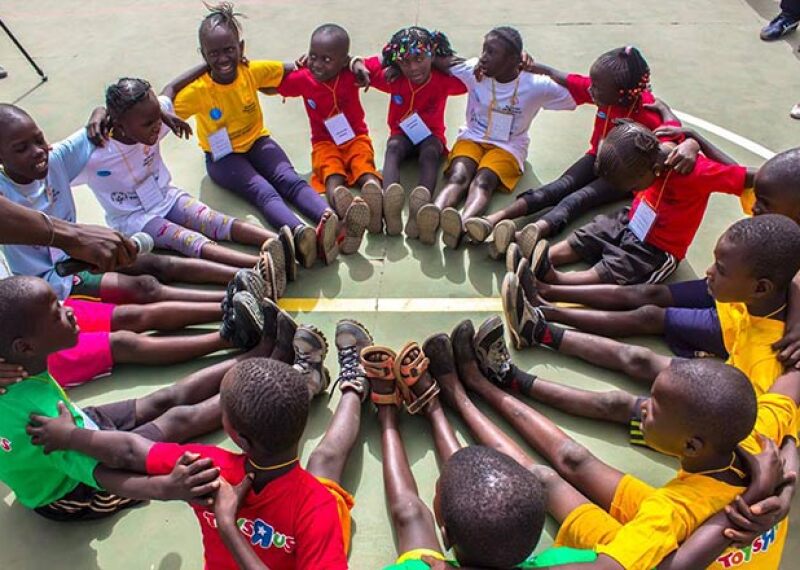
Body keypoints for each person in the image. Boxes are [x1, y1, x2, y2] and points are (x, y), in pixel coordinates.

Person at [441, 319, 797, 570]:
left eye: (654, 408)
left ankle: (460, 394)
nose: (642, 405)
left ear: (691, 445)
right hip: (681, 539)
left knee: (544, 480)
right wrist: (790, 454)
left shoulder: (671, 511)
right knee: (573, 458)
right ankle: (484, 383)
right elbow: (790, 385)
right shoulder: (756, 435)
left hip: (657, 549)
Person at [30, 355, 355, 569]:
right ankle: (353, 386)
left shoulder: (208, 468)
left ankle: (333, 383)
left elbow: (129, 451)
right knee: (326, 459)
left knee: (325, 460)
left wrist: (70, 437)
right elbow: (127, 450)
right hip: (311, 505)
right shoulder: (318, 507)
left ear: (235, 434)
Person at [0, 275, 272, 521]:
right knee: (178, 420)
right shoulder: (43, 419)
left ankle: (258, 351)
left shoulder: (18, 376)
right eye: (55, 314)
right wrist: (166, 488)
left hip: (71, 428)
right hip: (76, 489)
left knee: (163, 399)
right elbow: (109, 472)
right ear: (24, 347)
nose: (68, 310)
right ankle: (272, 371)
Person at [365, 331, 599, 568]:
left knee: (409, 513)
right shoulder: (571, 562)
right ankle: (445, 399)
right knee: (462, 486)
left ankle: (391, 415)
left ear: (444, 535)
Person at [504, 215, 800, 400]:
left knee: (621, 395)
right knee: (647, 310)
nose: (708, 271)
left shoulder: (768, 358)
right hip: (737, 317)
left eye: (720, 269)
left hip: (706, 425)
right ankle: (545, 305)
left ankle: (538, 331)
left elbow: (767, 431)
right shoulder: (756, 286)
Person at [463, 47, 694, 257]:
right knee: (558, 187)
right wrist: (535, 66)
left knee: (577, 200)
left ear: (622, 94)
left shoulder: (647, 112)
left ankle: (527, 234)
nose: (590, 90)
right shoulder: (605, 92)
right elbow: (566, 78)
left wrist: (688, 143)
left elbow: (673, 140)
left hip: (623, 175)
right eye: (592, 84)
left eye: (596, 88)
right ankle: (494, 220)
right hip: (597, 157)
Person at [0, 102, 239, 302]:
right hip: (50, 284)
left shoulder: (57, 158)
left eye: (39, 139)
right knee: (144, 288)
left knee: (161, 265)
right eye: (22, 149)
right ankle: (227, 303)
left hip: (81, 257)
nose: (38, 151)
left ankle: (247, 276)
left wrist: (100, 111)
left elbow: (114, 118)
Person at [162, 2, 342, 267]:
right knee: (263, 192)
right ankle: (301, 233)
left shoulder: (250, 71)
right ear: (203, 55)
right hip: (224, 159)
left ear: (241, 48)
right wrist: (167, 112)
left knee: (289, 180)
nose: (223, 58)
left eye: (229, 50)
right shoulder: (198, 91)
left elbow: (290, 69)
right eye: (214, 53)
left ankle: (328, 217)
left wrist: (309, 63)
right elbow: (160, 108)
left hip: (258, 141)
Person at [82, 77, 297, 293]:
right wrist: (98, 111)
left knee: (211, 219)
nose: (157, 126)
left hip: (166, 196)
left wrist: (206, 66)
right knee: (186, 239)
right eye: (149, 123)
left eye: (159, 117)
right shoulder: (94, 155)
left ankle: (286, 245)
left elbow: (171, 88)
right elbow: (54, 163)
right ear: (119, 125)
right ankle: (258, 267)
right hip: (134, 218)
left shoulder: (153, 118)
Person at [526, 120, 752, 286]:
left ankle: (557, 279)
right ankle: (540, 258)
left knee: (622, 268)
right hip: (633, 218)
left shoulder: (696, 172)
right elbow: (663, 109)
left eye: (631, 184)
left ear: (652, 170)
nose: (629, 189)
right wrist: (688, 137)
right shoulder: (654, 143)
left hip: (660, 247)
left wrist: (697, 140)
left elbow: (754, 177)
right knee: (593, 231)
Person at [410, 27, 577, 249]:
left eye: (491, 53)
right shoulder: (473, 70)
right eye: (484, 50)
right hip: (472, 138)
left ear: (513, 60)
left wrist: (539, 67)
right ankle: (431, 215)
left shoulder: (537, 85)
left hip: (508, 147)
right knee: (458, 176)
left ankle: (460, 224)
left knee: (483, 180)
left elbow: (580, 92)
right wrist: (393, 64)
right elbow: (433, 55)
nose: (483, 57)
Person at [273, 24, 376, 254]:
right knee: (332, 173)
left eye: (327, 59)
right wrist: (292, 66)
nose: (318, 64)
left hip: (356, 137)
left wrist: (357, 62)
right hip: (323, 142)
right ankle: (343, 208)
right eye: (313, 56)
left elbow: (375, 65)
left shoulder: (352, 73)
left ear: (343, 61)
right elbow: (273, 85)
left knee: (364, 165)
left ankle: (375, 198)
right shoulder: (304, 78)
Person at [360, 26, 467, 235]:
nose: (413, 68)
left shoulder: (443, 80)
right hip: (402, 135)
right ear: (397, 62)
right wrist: (389, 62)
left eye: (420, 59)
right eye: (405, 61)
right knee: (392, 147)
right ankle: (388, 201)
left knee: (430, 153)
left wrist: (440, 60)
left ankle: (421, 207)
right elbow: (360, 66)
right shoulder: (393, 77)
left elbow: (472, 72)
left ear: (432, 55)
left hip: (431, 136)